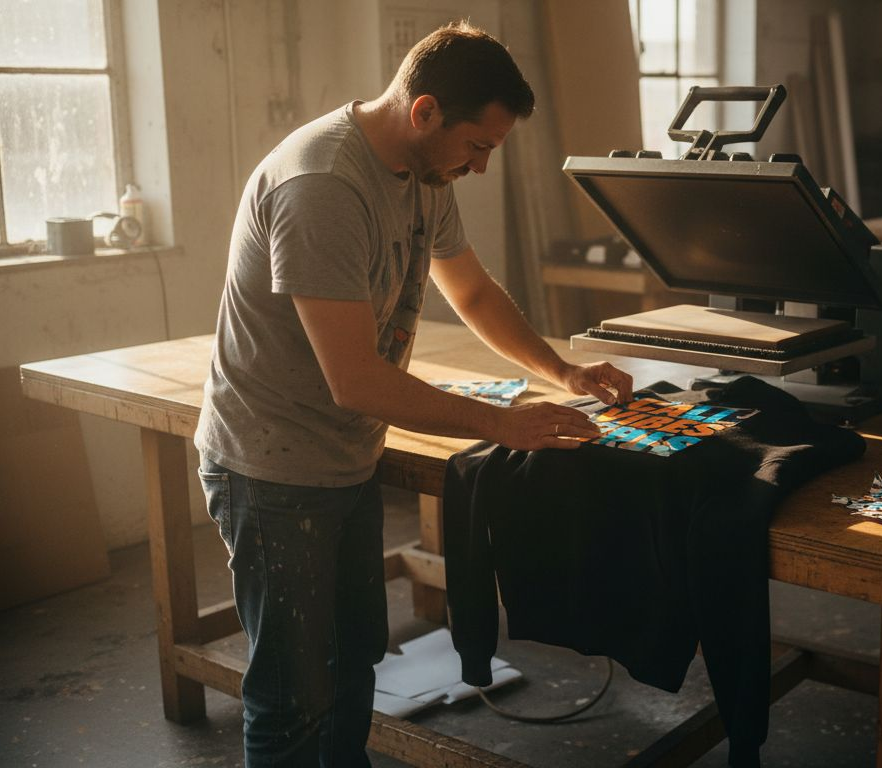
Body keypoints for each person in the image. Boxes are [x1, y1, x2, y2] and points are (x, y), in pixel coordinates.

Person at [192, 20, 632, 767]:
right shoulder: (324, 185)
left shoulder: (427, 173)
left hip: (343, 457)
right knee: (290, 696)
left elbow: (475, 293)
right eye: (479, 147)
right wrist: (504, 423)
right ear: (424, 111)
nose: (483, 168)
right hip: (272, 472)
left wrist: (563, 372)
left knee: (352, 664)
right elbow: (356, 379)